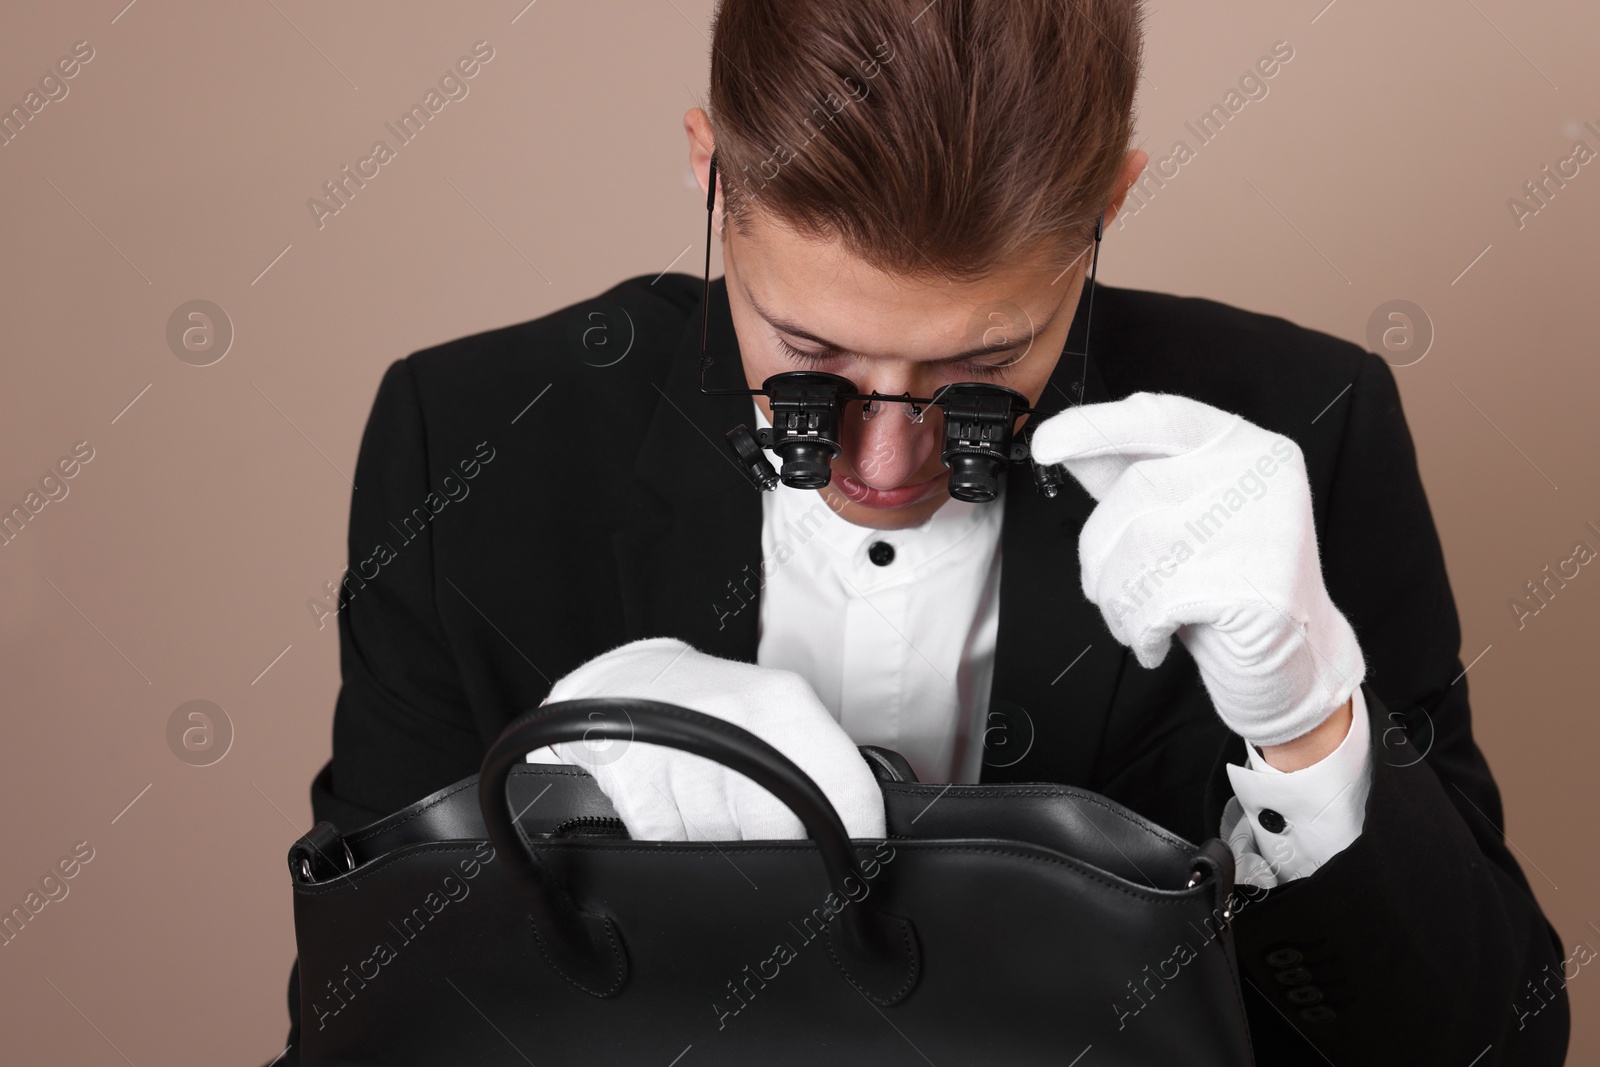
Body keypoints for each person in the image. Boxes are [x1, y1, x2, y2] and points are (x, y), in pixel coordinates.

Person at [277, 1, 1569, 1063]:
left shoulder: (1305, 422)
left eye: (985, 363)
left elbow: (1488, 1049)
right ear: (707, 166)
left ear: (1112, 199)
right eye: (808, 354)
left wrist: (1309, 730)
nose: (885, 463)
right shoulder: (476, 435)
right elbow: (352, 1035)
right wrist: (557, 797)